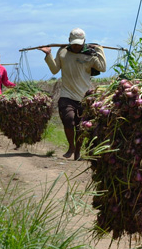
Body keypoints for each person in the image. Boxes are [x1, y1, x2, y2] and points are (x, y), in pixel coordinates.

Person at [39, 28, 107, 160]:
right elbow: (54, 69)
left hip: (84, 96)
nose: (76, 46)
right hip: (67, 95)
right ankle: (71, 146)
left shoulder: (90, 55)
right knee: (68, 120)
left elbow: (102, 68)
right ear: (69, 41)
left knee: (81, 126)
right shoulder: (63, 52)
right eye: (74, 43)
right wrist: (48, 55)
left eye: (79, 43)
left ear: (84, 42)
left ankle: (78, 151)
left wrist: (100, 50)